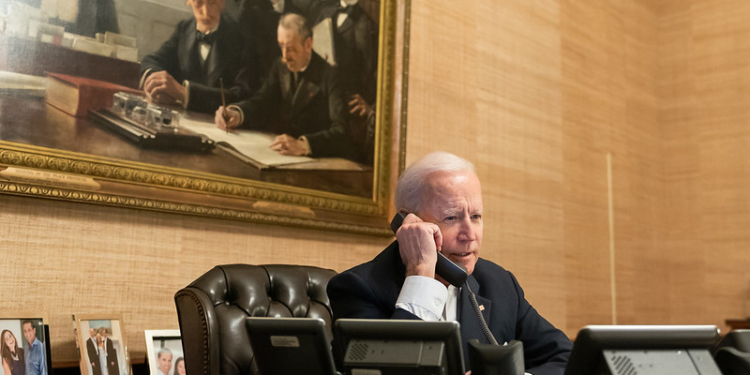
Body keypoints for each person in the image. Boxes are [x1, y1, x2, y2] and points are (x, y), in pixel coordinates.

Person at [327, 152, 573, 375]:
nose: (470, 234)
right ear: (409, 224)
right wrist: (421, 273)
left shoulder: (499, 283)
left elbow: (567, 359)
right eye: (452, 217)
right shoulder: (357, 288)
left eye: (476, 216)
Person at [215, 13, 351, 159]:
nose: (285, 55)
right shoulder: (280, 66)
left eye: (290, 48)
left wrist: (305, 145)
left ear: (308, 44)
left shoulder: (330, 76)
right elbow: (262, 101)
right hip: (281, 156)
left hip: (317, 159)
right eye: (281, 46)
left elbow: (341, 131)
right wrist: (237, 113)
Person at [139, 0, 262, 114]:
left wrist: (185, 94)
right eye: (199, 3)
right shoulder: (184, 29)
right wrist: (156, 85)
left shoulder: (241, 39)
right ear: (189, 1)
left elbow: (242, 95)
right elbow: (151, 60)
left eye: (212, 3)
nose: (206, 12)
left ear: (222, 2)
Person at [315, 0, 379, 164]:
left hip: (347, 106)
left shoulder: (365, 24)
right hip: (321, 97)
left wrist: (370, 104)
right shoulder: (324, 12)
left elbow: (371, 70)